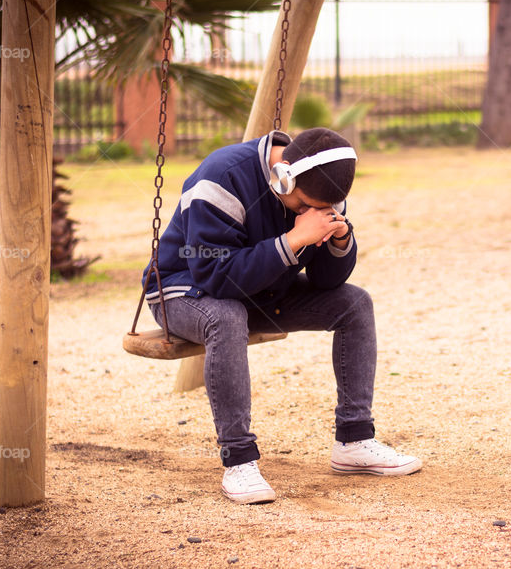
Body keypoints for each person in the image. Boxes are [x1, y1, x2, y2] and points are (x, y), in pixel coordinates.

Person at [144, 127, 422, 504]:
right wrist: (293, 240)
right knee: (225, 316)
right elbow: (215, 277)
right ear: (282, 176)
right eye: (304, 205)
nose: (312, 214)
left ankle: (354, 440)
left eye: (323, 209)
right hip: (184, 290)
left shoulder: (322, 190)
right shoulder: (221, 177)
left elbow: (326, 282)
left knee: (355, 303)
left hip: (258, 292)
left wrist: (338, 240)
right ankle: (238, 460)